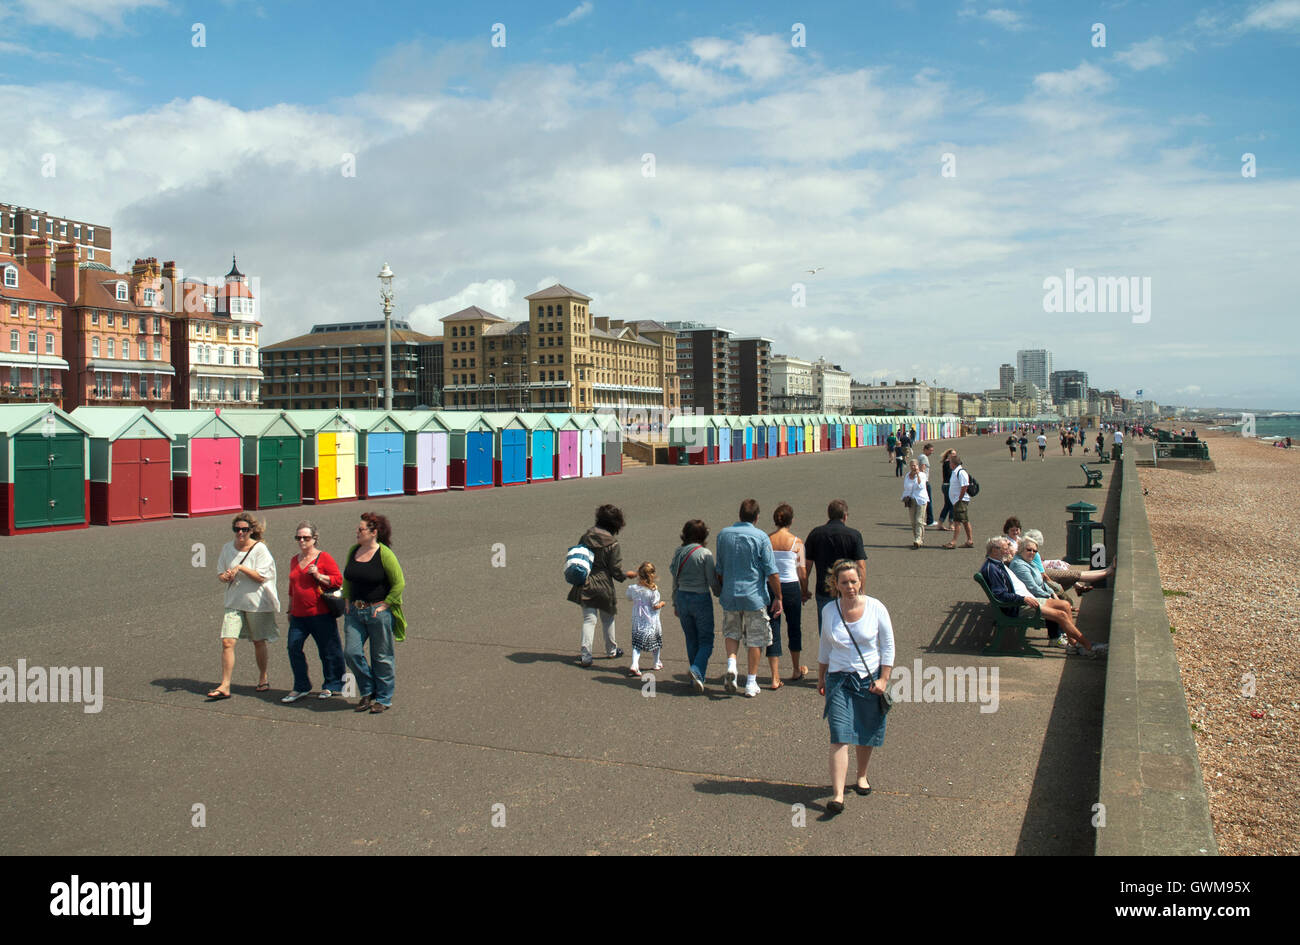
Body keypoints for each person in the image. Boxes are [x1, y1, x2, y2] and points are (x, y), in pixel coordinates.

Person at [818, 559, 894, 815]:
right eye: (844, 582)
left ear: (860, 581)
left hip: (869, 678)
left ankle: (861, 775)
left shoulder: (876, 607)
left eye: (853, 581)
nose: (850, 586)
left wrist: (883, 679)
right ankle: (838, 795)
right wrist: (821, 677)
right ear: (835, 585)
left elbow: (888, 646)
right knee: (839, 734)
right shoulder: (829, 610)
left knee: (865, 730)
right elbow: (825, 646)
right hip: (838, 679)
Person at [714, 498, 783, 698]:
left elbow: (720, 568)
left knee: (731, 632)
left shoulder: (723, 535)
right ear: (757, 517)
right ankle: (751, 682)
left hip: (731, 593)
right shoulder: (761, 537)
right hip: (754, 595)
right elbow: (771, 571)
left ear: (740, 515)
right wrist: (778, 595)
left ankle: (732, 665)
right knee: (755, 639)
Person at [208, 512, 279, 700]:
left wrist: (241, 568)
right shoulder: (227, 548)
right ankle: (225, 685)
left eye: (244, 530)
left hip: (256, 603)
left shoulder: (260, 549)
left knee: (258, 641)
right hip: (234, 602)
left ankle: (263, 677)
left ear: (251, 531)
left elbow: (262, 577)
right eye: (237, 529)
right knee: (227, 642)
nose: (240, 533)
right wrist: (226, 576)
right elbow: (221, 574)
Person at [342, 512, 407, 713]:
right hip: (354, 611)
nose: (357, 532)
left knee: (382, 657)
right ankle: (368, 690)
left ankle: (384, 698)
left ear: (374, 533)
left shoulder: (384, 553)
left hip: (377, 612)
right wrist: (346, 599)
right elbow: (348, 577)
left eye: (361, 529)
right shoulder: (354, 550)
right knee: (351, 653)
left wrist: (385, 605)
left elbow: (399, 583)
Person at [1002, 537, 1108, 657]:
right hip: (1026, 601)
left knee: (1066, 604)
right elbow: (1032, 587)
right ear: (1021, 550)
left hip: (1032, 597)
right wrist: (1050, 596)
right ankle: (1087, 646)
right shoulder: (1019, 565)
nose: (1032, 553)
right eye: (1029, 550)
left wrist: (1051, 592)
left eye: (1035, 551)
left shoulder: (1029, 562)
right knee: (1061, 613)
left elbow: (1042, 583)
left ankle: (1073, 644)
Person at [282, 520, 346, 703]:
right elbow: (292, 587)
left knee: (328, 650)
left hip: (321, 614)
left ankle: (332, 685)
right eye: (298, 537)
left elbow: (337, 580)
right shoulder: (295, 560)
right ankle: (301, 686)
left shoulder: (323, 558)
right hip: (298, 616)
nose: (302, 540)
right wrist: (289, 609)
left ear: (314, 539)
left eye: (305, 537)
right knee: (293, 648)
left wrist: (318, 575)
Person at [569, 504, 636, 667]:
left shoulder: (586, 537)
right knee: (608, 619)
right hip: (604, 585)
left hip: (586, 582)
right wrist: (626, 575)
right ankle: (611, 650)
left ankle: (586, 656)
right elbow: (615, 570)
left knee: (589, 620)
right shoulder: (613, 543)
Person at [669, 519, 720, 692]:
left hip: (682, 597)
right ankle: (697, 670)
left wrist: (675, 601)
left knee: (691, 639)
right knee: (706, 640)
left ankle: (696, 679)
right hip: (700, 598)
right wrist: (720, 593)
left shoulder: (678, 552)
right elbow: (712, 581)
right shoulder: (705, 554)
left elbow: (674, 579)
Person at [804, 499, 868, 630]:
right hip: (848, 589)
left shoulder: (815, 534)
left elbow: (807, 566)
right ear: (845, 516)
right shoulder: (854, 535)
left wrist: (804, 589)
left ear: (829, 515)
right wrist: (861, 588)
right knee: (849, 626)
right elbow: (861, 566)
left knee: (826, 628)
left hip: (824, 589)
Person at [768, 503, 809, 686]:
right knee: (794, 627)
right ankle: (795, 667)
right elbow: (802, 571)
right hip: (791, 586)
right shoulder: (796, 542)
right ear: (791, 520)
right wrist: (805, 590)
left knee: (773, 628)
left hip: (771, 587)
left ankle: (774, 675)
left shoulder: (767, 540)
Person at [626, 562, 666, 678]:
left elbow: (629, 597)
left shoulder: (633, 588)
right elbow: (655, 605)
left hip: (638, 620)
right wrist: (662, 603)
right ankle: (656, 662)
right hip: (651, 620)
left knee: (637, 644)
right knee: (656, 641)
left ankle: (634, 664)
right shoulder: (653, 591)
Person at [943, 453, 974, 548]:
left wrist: (959, 498)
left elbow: (964, 485)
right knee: (964, 520)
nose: (949, 465)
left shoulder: (961, 472)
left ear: (953, 463)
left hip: (960, 501)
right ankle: (969, 540)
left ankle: (953, 542)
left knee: (957, 521)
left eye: (950, 463)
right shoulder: (955, 471)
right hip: (957, 500)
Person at [902, 459, 929, 548]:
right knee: (913, 521)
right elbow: (906, 488)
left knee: (919, 520)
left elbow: (921, 486)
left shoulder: (922, 475)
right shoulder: (907, 476)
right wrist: (905, 497)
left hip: (921, 500)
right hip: (911, 500)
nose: (913, 467)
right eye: (912, 466)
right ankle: (918, 538)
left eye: (915, 465)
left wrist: (917, 475)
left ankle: (918, 539)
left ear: (918, 466)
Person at [936, 449, 956, 529]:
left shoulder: (947, 462)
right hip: (948, 486)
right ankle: (951, 523)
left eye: (955, 454)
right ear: (949, 454)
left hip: (946, 485)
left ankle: (940, 523)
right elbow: (950, 474)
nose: (954, 455)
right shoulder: (948, 463)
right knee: (951, 505)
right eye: (953, 454)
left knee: (947, 505)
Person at [919, 443, 937, 525]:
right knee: (928, 501)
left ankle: (922, 519)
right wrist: (923, 480)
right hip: (924, 482)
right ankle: (930, 520)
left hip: (922, 481)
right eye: (930, 450)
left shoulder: (921, 456)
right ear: (925, 449)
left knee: (924, 501)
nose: (931, 452)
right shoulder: (924, 457)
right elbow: (922, 469)